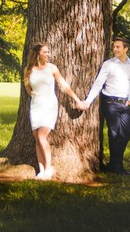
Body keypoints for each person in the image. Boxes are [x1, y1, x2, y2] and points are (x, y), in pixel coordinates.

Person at [24, 44, 85, 180]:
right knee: (37, 138)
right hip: (35, 105)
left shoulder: (52, 68)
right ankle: (41, 171)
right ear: (37, 54)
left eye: (48, 52)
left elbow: (64, 85)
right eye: (45, 52)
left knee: (41, 137)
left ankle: (49, 168)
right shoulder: (28, 70)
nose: (48, 54)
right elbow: (29, 89)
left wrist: (77, 100)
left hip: (49, 104)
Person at [78, 37, 130, 175]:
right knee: (115, 133)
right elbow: (98, 83)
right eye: (114, 47)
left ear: (125, 49)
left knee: (126, 134)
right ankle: (117, 166)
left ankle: (114, 164)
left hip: (124, 105)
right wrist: (88, 101)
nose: (115, 49)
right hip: (109, 102)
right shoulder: (109, 64)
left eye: (118, 47)